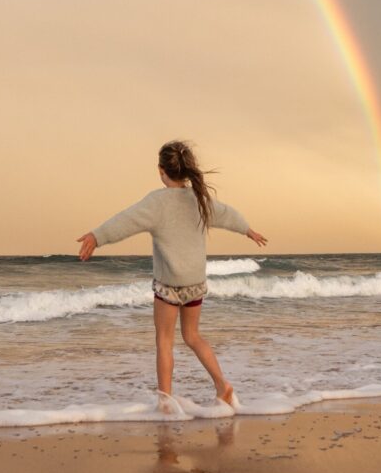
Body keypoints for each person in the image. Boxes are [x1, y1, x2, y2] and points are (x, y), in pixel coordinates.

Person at [76, 140, 268, 412]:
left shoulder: (157, 202)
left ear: (161, 170)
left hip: (168, 286)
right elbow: (227, 215)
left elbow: (126, 220)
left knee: (164, 342)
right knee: (193, 337)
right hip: (195, 285)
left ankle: (166, 402)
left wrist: (98, 236)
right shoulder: (199, 200)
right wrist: (248, 230)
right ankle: (223, 387)